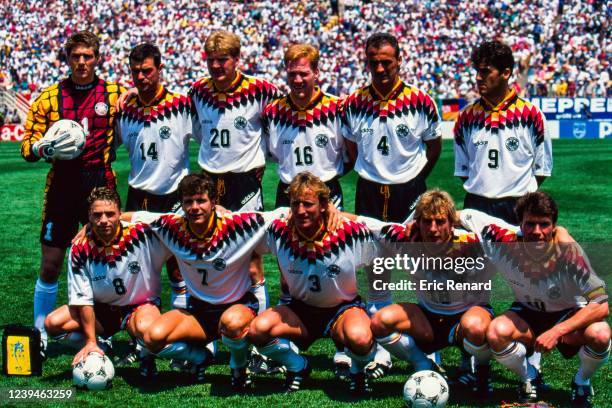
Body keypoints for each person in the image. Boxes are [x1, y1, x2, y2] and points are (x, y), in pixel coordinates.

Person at [20, 31, 124, 350]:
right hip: (62, 186)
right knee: (51, 261)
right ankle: (39, 334)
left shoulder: (114, 92)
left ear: (97, 58)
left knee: (107, 261)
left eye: (87, 56)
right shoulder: (50, 97)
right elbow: (27, 146)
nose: (81, 62)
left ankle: (113, 332)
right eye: (75, 56)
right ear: (67, 59)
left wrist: (132, 96)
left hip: (100, 185)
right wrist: (41, 147)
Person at [133, 173, 285, 390]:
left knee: (232, 323)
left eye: (201, 200)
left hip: (237, 307)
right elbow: (133, 216)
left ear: (214, 202)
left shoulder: (238, 225)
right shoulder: (172, 226)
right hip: (199, 313)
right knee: (152, 338)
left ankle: (239, 366)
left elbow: (281, 214)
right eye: (188, 202)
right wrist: (88, 227)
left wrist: (334, 213)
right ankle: (200, 357)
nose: (195, 207)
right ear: (181, 204)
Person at [460, 192, 609, 406]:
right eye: (530, 224)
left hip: (567, 313)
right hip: (528, 312)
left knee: (601, 333)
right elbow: (462, 215)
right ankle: (529, 378)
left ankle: (581, 381)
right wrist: (413, 224)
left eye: (544, 225)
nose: (537, 232)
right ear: (520, 222)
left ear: (554, 226)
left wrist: (557, 331)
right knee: (496, 332)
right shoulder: (503, 238)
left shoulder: (567, 251)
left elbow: (601, 305)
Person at [248, 172, 379, 395]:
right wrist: (220, 212)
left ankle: (357, 371)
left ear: (324, 205)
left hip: (342, 309)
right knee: (257, 330)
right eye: (295, 203)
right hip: (300, 310)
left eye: (308, 204)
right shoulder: (279, 229)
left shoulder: (349, 231)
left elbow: (384, 230)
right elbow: (244, 223)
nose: (300, 210)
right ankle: (297, 366)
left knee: (361, 338)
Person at [358, 190, 494, 396]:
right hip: (428, 317)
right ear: (417, 222)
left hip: (468, 316)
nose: (433, 229)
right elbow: (366, 223)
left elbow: (517, 234)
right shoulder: (406, 239)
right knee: (380, 321)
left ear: (452, 222)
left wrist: (561, 235)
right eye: (427, 221)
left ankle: (480, 372)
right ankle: (423, 364)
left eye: (440, 221)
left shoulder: (474, 244)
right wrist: (331, 212)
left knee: (475, 327)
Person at [189, 30, 279, 327]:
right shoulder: (198, 91)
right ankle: (208, 330)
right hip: (209, 182)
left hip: (244, 183)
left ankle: (258, 335)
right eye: (211, 60)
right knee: (207, 255)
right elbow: (200, 133)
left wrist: (262, 156)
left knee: (252, 261)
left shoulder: (261, 89)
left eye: (223, 60)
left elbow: (279, 122)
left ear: (236, 59)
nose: (216, 66)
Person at [115, 42, 194, 365]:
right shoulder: (125, 109)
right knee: (140, 272)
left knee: (178, 268)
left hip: (172, 195)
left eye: (147, 70)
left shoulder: (182, 106)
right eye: (135, 72)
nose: (141, 77)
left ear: (160, 69)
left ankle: (179, 338)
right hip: (137, 196)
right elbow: (109, 145)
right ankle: (142, 343)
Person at [44, 188, 169, 378]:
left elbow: (181, 219)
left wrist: (217, 209)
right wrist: (90, 342)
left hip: (139, 306)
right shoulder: (80, 247)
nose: (103, 220)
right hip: (101, 310)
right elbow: (82, 299)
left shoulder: (143, 232)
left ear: (120, 213)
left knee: (147, 329)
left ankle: (146, 354)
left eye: (110, 214)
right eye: (97, 215)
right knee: (53, 323)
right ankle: (102, 347)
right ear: (89, 217)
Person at [341, 32, 442, 223]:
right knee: (369, 249)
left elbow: (434, 147)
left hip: (410, 189)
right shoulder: (353, 103)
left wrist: (416, 178)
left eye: (386, 62)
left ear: (399, 60)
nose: (379, 69)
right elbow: (352, 147)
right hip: (368, 191)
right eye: (373, 63)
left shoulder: (421, 101)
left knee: (411, 248)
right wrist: (370, 172)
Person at [454, 40, 553, 225]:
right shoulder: (465, 117)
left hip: (517, 207)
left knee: (517, 255)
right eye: (477, 71)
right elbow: (463, 169)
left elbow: (542, 169)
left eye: (485, 71)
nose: (477, 77)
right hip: (476, 204)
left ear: (506, 73)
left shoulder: (532, 115)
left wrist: (516, 193)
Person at [264, 44, 346, 209]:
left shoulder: (337, 108)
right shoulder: (272, 112)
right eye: (292, 74)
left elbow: (351, 156)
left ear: (316, 72)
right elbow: (272, 154)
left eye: (303, 74)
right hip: (287, 193)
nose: (297, 80)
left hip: (327, 192)